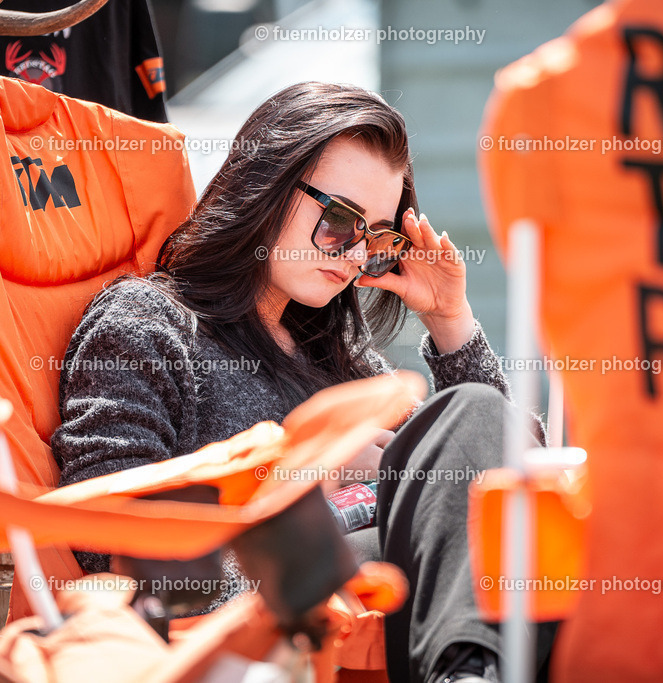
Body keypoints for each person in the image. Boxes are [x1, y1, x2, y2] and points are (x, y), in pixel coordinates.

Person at [49, 81, 555, 683]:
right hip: (261, 618)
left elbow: (515, 473)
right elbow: (118, 557)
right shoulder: (146, 326)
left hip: (387, 600)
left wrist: (451, 321)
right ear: (266, 184)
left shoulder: (334, 352)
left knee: (514, 485)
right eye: (340, 220)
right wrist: (315, 480)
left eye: (377, 237)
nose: (355, 254)